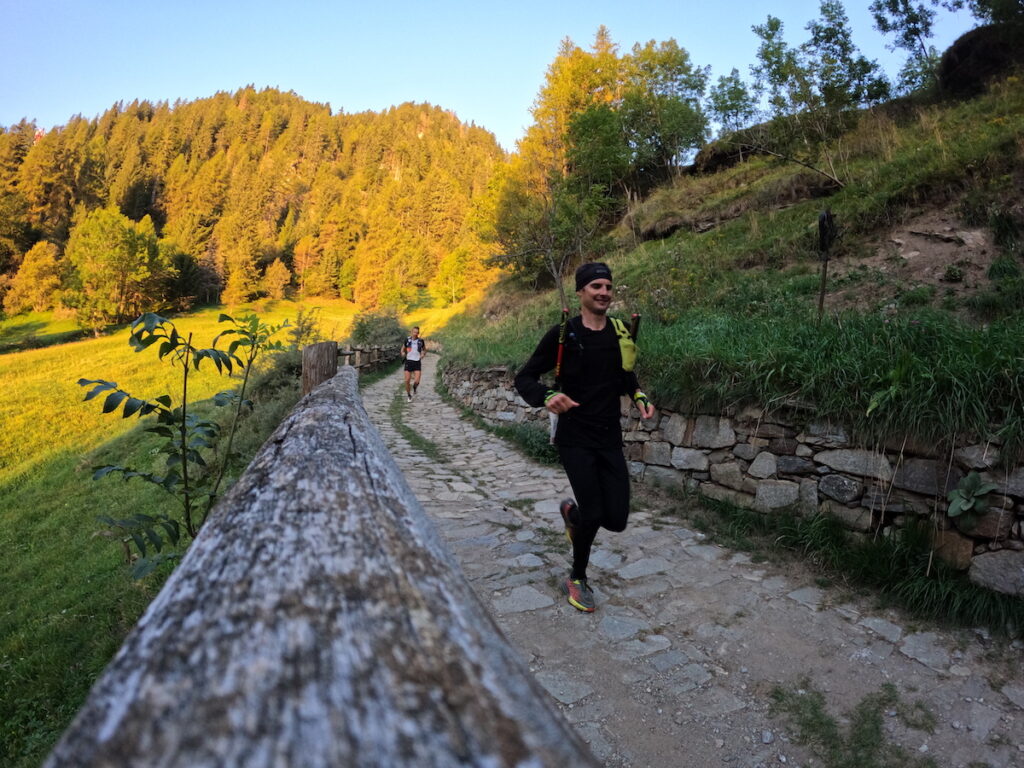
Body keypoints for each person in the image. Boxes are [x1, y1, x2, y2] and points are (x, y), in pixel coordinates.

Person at [514, 262, 655, 613]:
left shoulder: (620, 331)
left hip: (608, 435)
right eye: (596, 287)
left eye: (608, 286)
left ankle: (572, 517)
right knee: (594, 511)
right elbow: (525, 377)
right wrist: (547, 397)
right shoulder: (564, 334)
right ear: (580, 292)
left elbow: (625, 374)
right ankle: (577, 577)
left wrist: (638, 395)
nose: (604, 292)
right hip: (574, 435)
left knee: (618, 519)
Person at [403, 326, 427, 400]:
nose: (415, 334)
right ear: (411, 332)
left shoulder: (420, 341)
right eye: (414, 332)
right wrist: (402, 353)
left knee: (417, 381)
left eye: (417, 332)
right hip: (408, 361)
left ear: (418, 333)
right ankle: (409, 395)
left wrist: (423, 354)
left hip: (417, 362)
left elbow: (424, 349)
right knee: (407, 380)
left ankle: (414, 387)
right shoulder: (407, 340)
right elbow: (403, 348)